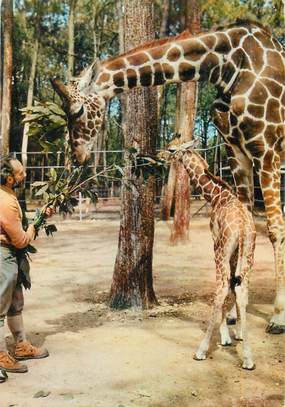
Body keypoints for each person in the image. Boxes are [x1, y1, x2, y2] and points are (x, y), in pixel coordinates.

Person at [0, 155, 52, 375]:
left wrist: (39, 217)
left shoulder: (8, 195)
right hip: (3, 256)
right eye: (20, 172)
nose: (24, 175)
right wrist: (36, 224)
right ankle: (1, 357)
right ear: (10, 178)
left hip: (11, 255)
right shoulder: (5, 201)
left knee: (15, 302)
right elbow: (20, 240)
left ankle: (21, 345)